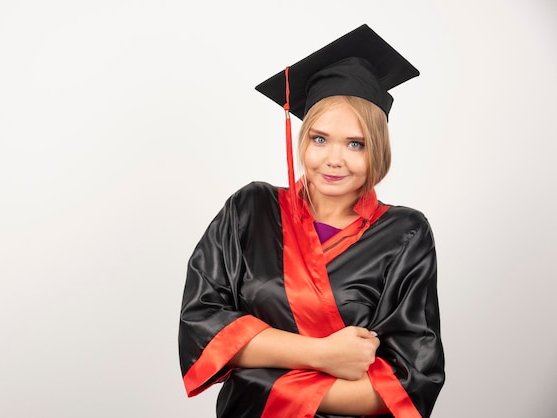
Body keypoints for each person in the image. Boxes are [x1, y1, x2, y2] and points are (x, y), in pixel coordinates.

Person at [178, 24, 445, 418]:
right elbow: (202, 323)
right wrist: (324, 354)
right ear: (302, 140)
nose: (334, 158)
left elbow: (409, 380)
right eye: (320, 138)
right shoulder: (250, 209)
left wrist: (262, 380)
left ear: (378, 150)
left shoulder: (404, 233)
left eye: (356, 143)